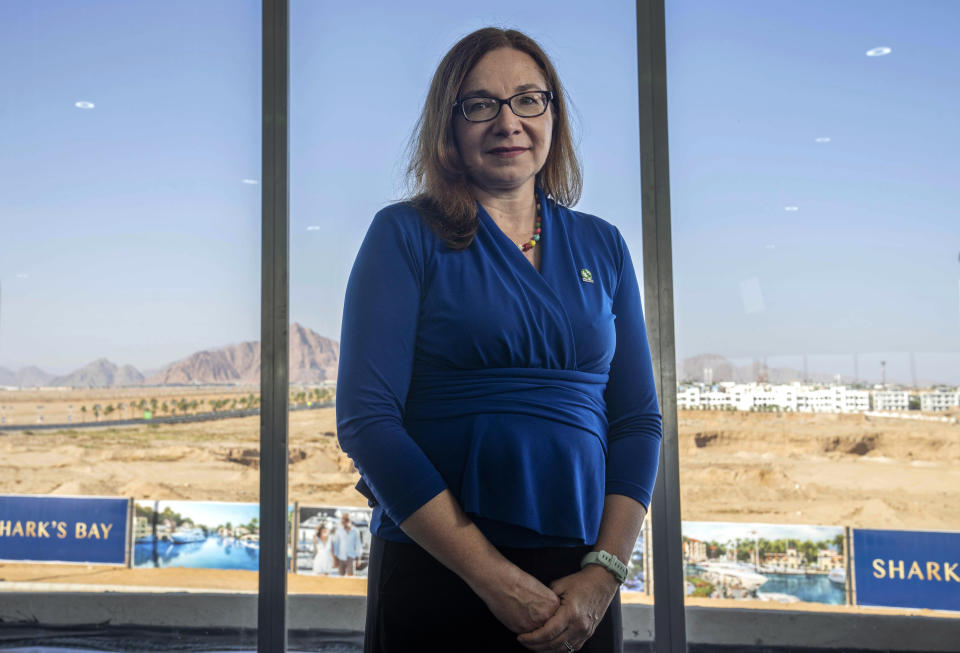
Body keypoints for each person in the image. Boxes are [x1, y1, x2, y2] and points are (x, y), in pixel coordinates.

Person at [336, 27, 662, 653]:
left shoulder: (605, 245)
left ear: (552, 116)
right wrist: (493, 579)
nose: (508, 121)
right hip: (441, 564)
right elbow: (367, 422)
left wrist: (604, 575)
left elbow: (637, 420)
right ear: (449, 126)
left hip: (579, 576)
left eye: (528, 100)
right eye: (480, 104)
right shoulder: (403, 234)